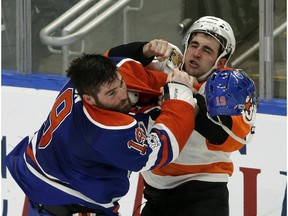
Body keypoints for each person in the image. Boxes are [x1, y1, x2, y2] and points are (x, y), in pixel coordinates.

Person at [5, 54, 198, 216]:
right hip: (78, 207)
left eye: (121, 84)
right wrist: (180, 99)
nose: (123, 94)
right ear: (89, 98)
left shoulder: (80, 81)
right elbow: (158, 150)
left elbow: (113, 57)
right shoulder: (104, 131)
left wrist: (144, 50)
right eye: (112, 93)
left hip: (40, 194)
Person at [105, 16, 257, 216]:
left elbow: (233, 139)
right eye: (194, 45)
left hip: (203, 194)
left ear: (221, 61)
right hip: (154, 193)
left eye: (207, 50)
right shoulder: (164, 65)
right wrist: (144, 50)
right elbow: (105, 64)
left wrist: (186, 99)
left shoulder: (228, 87)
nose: (196, 53)